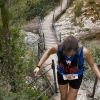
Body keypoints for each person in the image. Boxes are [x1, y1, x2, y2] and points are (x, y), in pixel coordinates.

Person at [34, 36, 100, 100]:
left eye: (71, 54)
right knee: (63, 97)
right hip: (62, 74)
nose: (68, 56)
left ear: (76, 50)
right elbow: (48, 53)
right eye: (66, 53)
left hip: (76, 76)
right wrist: (38, 66)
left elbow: (93, 65)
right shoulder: (57, 48)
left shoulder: (84, 52)